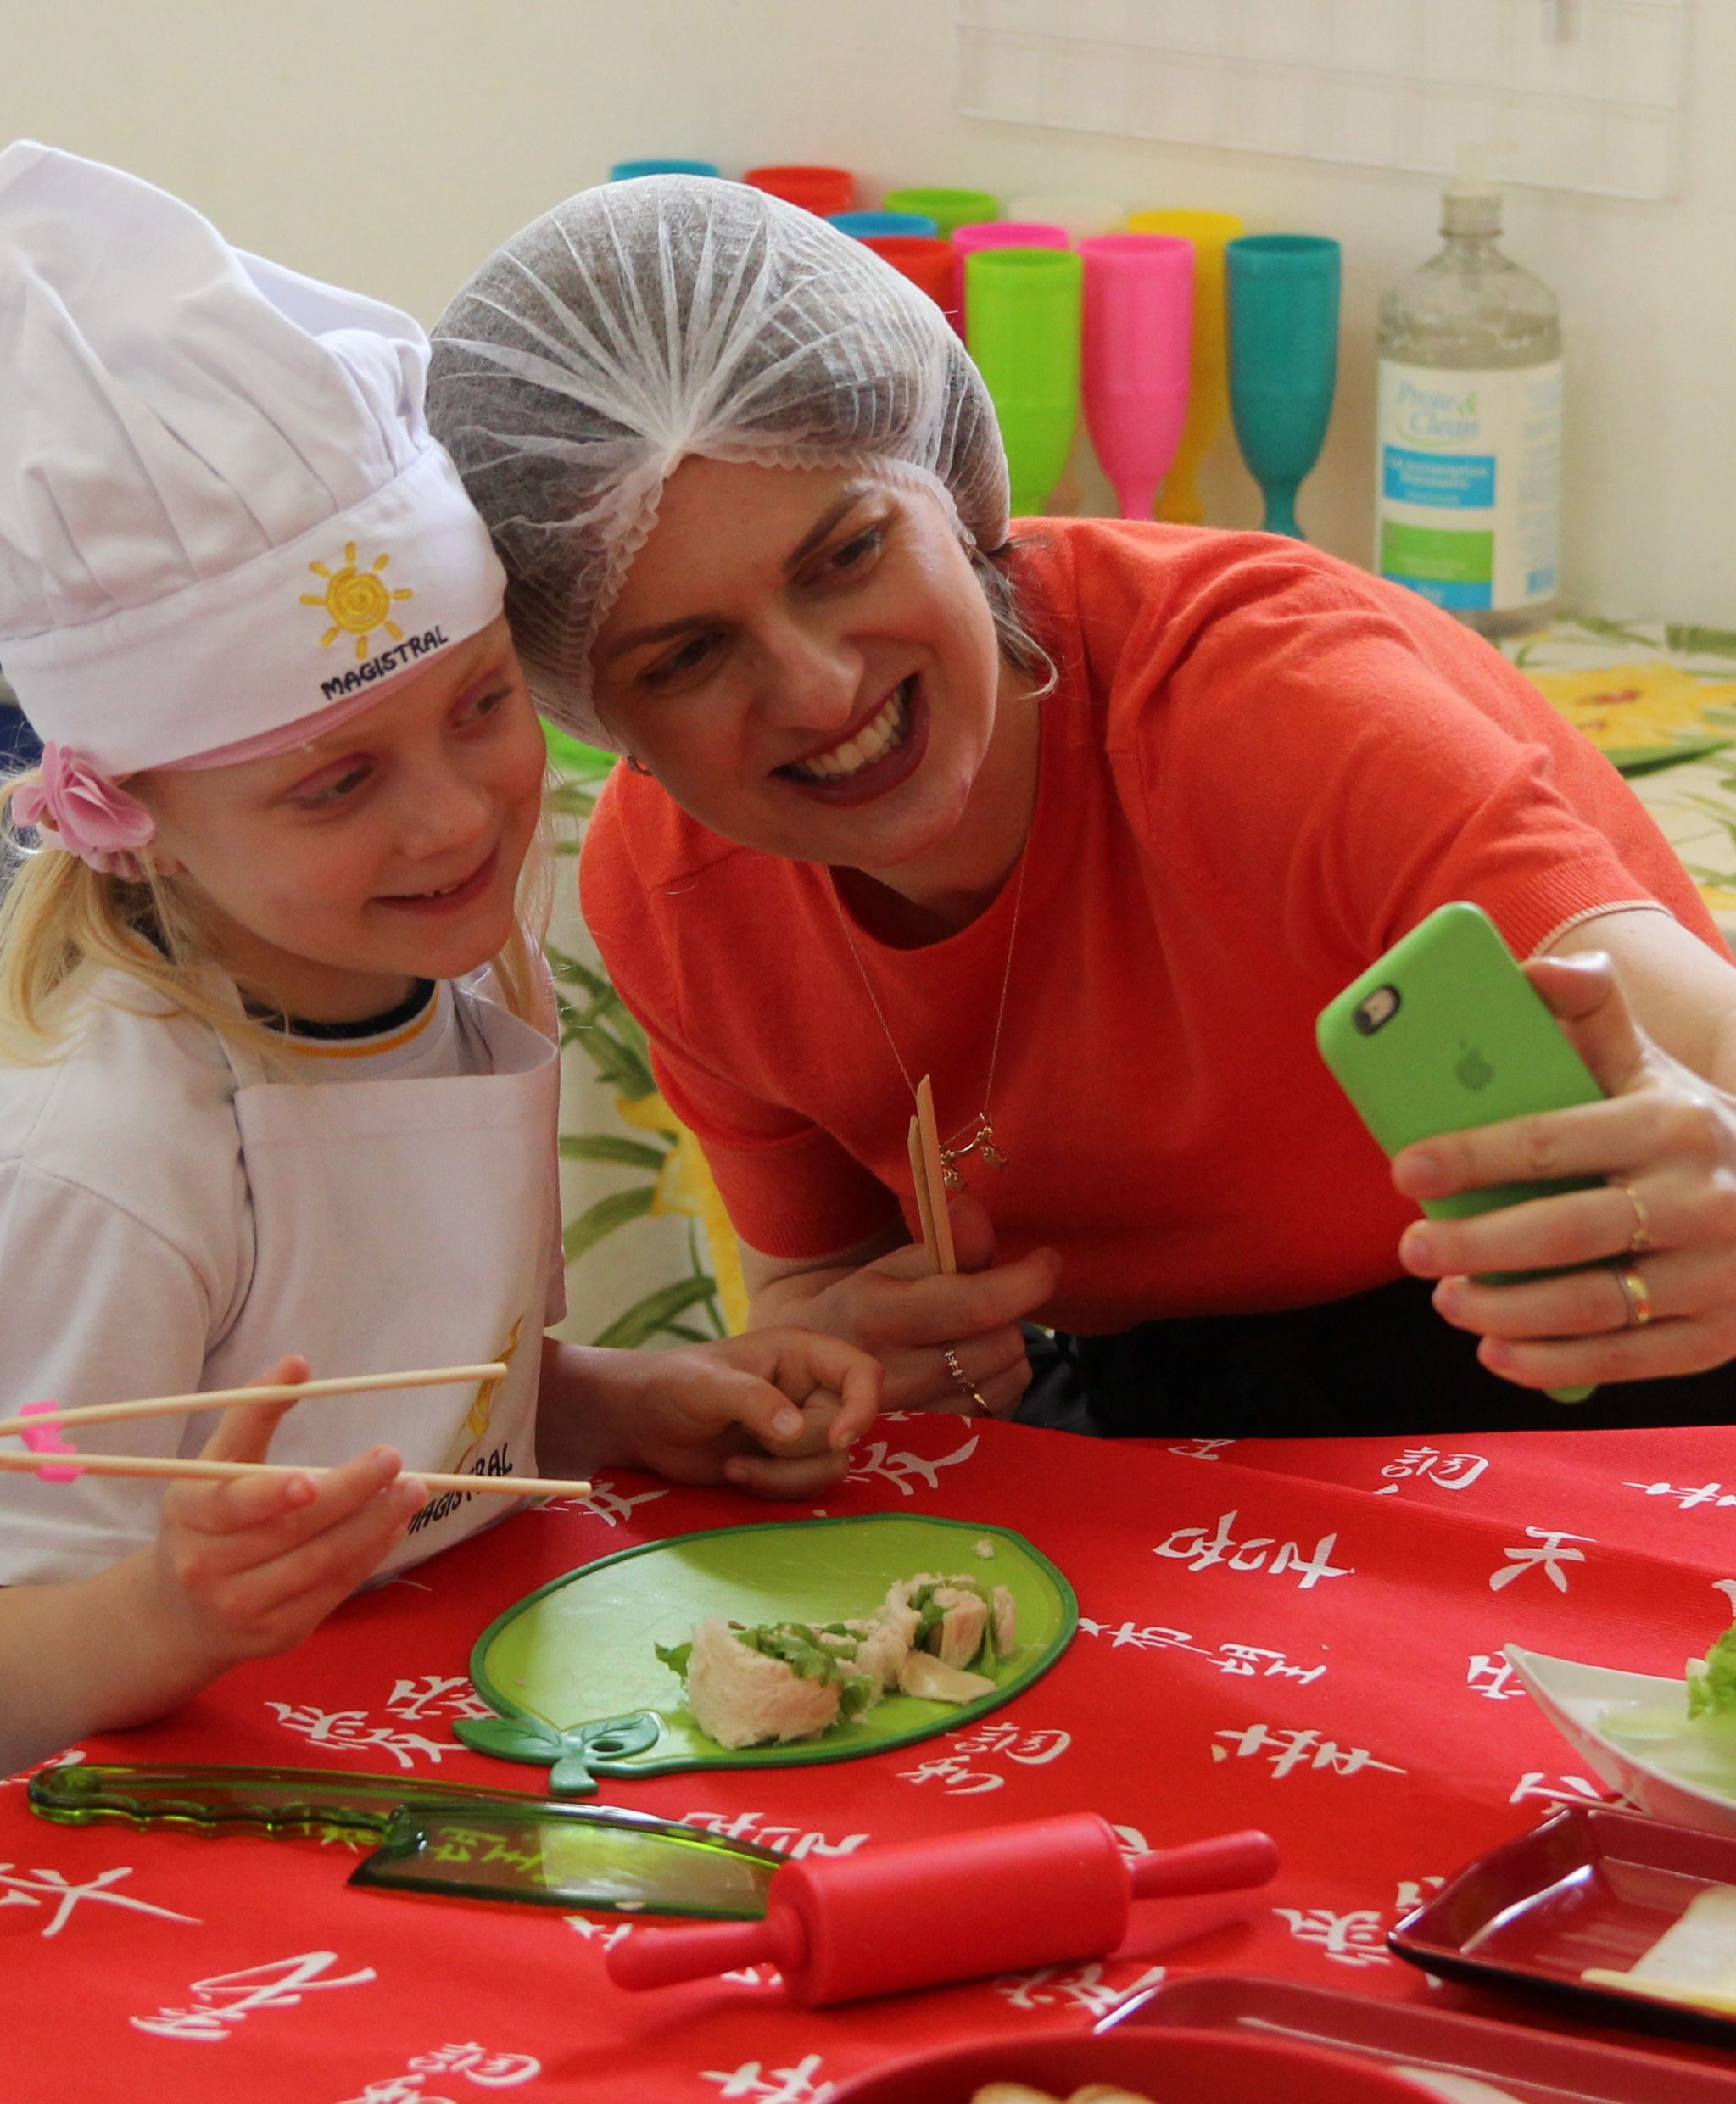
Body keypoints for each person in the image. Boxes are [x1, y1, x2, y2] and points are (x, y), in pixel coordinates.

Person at [0, 148, 878, 1887]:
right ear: (137, 815)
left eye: (478, 708)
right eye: (336, 782)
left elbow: (411, 1408)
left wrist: (627, 1402)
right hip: (27, 1864)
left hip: (327, 1771)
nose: (453, 818)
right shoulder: (98, 1157)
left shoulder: (437, 985)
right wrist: (167, 1604)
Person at [426, 174, 1736, 1440]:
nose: (816, 689)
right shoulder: (674, 896)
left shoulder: (1265, 695)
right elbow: (815, 1289)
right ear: (600, 718)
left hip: (1591, 1358)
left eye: (848, 554)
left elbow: (1710, 1053)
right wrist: (860, 1352)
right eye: (688, 657)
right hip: (1154, 1392)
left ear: (956, 489)